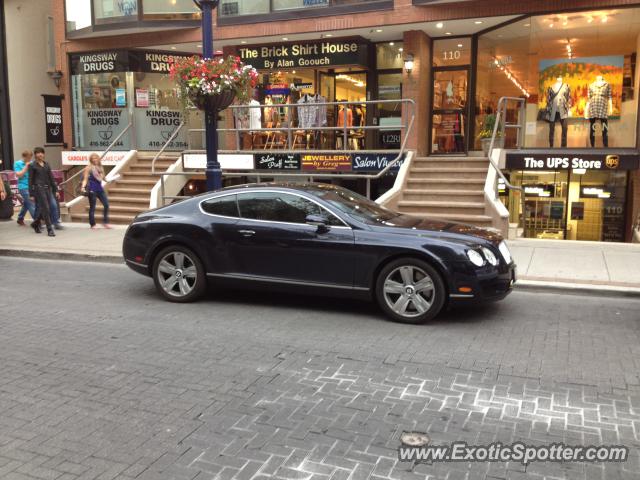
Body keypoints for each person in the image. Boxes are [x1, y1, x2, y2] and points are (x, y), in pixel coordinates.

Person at [29, 147, 58, 236]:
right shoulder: (32, 165)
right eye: (38, 153)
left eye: (41, 152)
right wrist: (31, 194)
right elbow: (30, 180)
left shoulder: (46, 164)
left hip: (47, 188)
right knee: (46, 208)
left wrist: (55, 190)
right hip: (39, 188)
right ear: (35, 155)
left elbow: (51, 178)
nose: (40, 154)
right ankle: (50, 229)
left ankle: (35, 223)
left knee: (44, 208)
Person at [81, 153, 111, 229]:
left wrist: (109, 180)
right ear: (91, 160)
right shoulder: (88, 168)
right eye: (93, 158)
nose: (94, 159)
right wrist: (83, 187)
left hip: (100, 189)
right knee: (92, 207)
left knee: (106, 204)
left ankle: (105, 222)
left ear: (98, 159)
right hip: (92, 189)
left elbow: (103, 178)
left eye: (96, 158)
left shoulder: (100, 167)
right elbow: (85, 179)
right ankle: (92, 224)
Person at [14, 150, 36, 226]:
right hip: (23, 187)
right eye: (28, 158)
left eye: (31, 158)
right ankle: (37, 221)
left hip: (32, 186)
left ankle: (20, 218)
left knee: (27, 203)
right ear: (24, 157)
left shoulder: (32, 163)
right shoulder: (17, 163)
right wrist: (26, 166)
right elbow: (18, 175)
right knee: (31, 203)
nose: (30, 160)